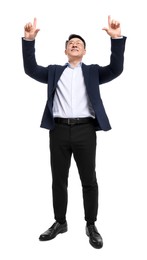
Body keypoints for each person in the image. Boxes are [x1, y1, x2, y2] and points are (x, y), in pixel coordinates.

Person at [22, 16, 126, 249]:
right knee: (59, 180)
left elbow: (116, 69)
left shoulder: (93, 72)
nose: (75, 44)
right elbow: (30, 69)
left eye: (79, 42)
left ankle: (91, 224)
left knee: (89, 180)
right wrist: (29, 41)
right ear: (66, 50)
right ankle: (60, 222)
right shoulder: (54, 71)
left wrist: (116, 39)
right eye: (71, 43)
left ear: (85, 50)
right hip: (57, 130)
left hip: (85, 130)